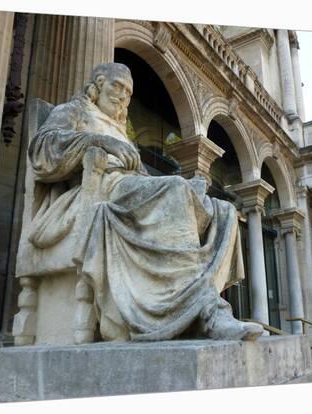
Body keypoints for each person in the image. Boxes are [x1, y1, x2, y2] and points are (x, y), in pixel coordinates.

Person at [26, 62, 263, 341]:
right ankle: (206, 311)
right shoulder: (74, 111)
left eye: (128, 93)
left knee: (223, 210)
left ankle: (193, 306)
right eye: (117, 87)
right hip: (100, 189)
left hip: (128, 189)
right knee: (174, 188)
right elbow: (42, 151)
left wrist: (187, 188)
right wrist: (101, 143)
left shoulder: (121, 130)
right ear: (98, 85)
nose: (123, 96)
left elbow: (141, 177)